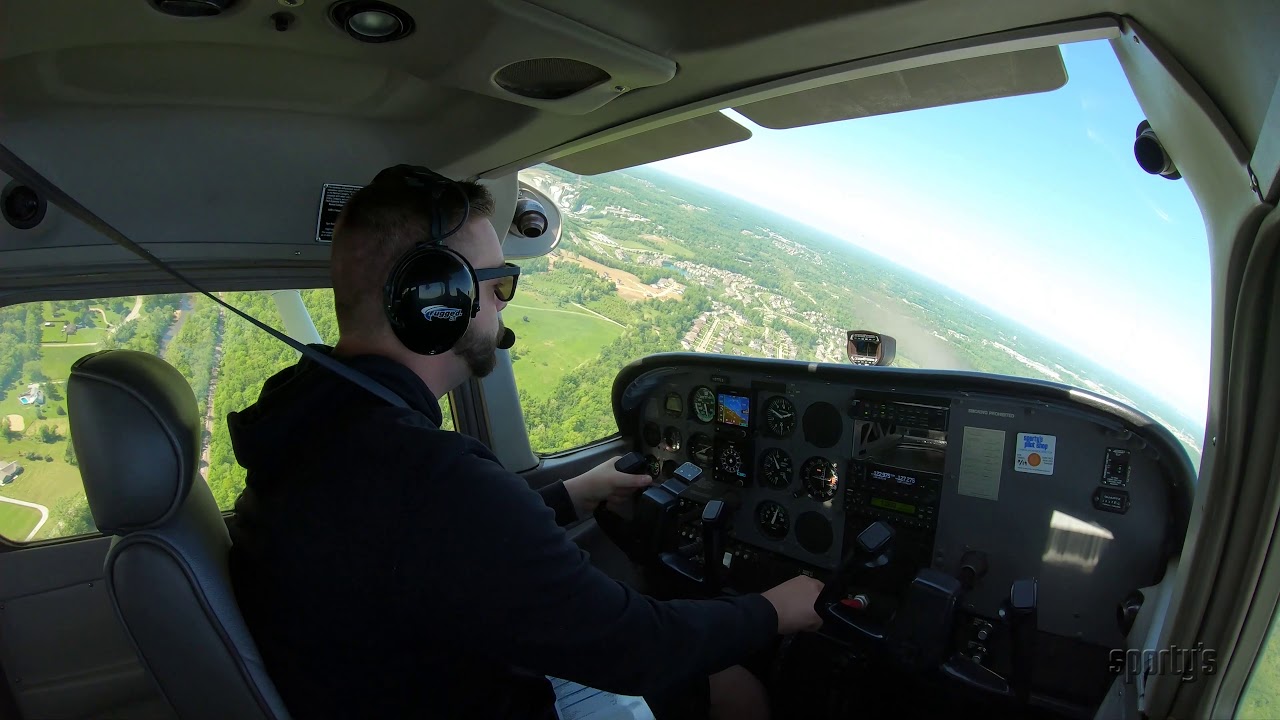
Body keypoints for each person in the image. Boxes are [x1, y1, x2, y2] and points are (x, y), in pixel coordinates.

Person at [225, 165, 825, 719]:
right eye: (500, 284)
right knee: (735, 687)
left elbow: (443, 545)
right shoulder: (429, 475)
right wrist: (775, 611)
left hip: (404, 674)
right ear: (440, 300)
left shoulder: (311, 422)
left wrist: (572, 493)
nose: (504, 304)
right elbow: (636, 646)